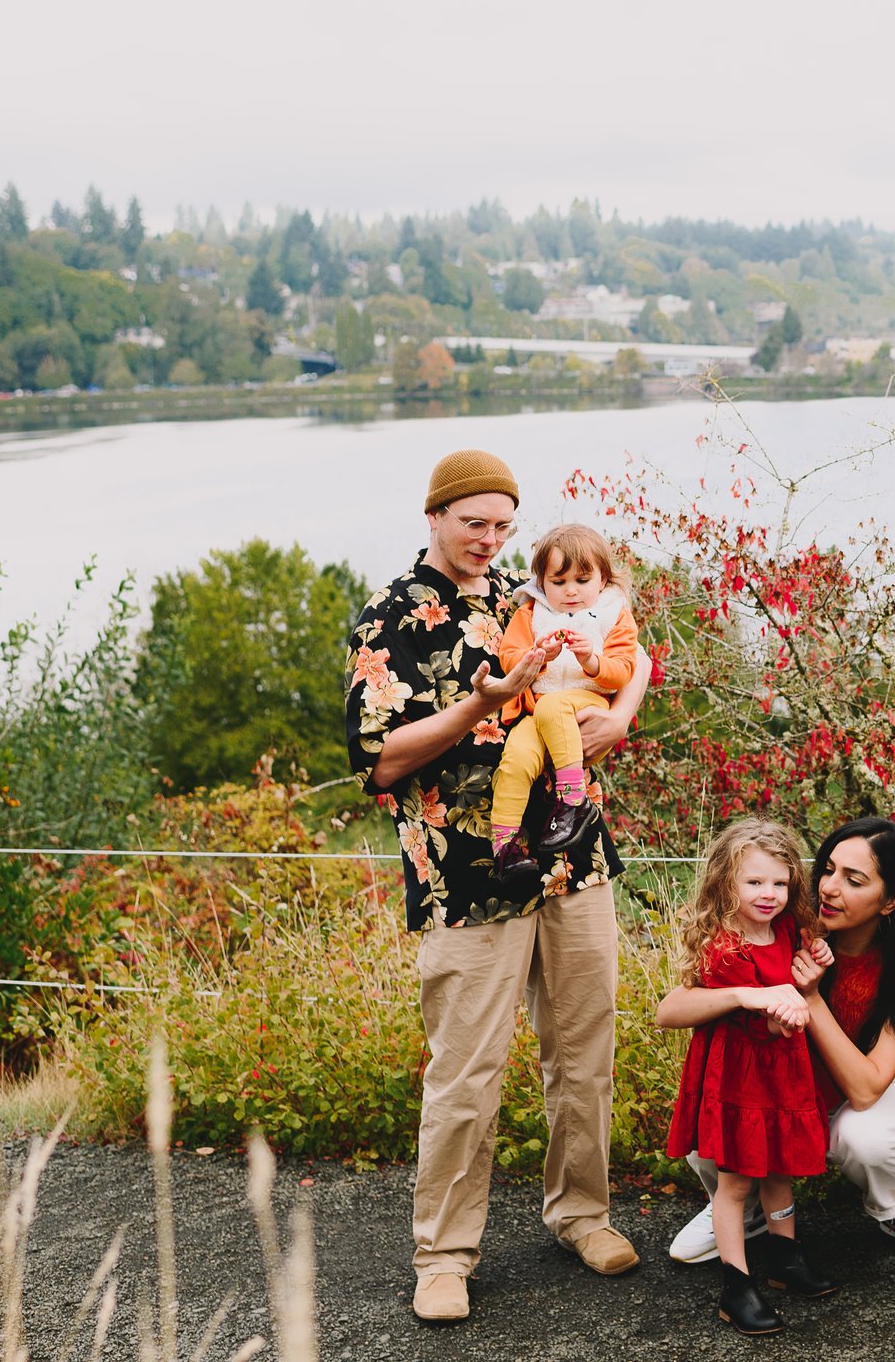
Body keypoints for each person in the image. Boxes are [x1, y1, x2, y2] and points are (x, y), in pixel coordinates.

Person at [344, 448, 648, 1324]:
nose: (489, 539)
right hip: (466, 876)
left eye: (502, 524)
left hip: (573, 856)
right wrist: (485, 703)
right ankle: (443, 1254)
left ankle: (581, 1213)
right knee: (468, 1074)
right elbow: (378, 759)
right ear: (434, 515)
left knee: (585, 1054)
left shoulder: (532, 590)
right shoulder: (392, 616)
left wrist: (616, 720)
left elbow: (632, 653)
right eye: (473, 522)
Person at [667, 816, 895, 1268]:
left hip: (875, 1092)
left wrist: (811, 996)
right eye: (828, 869)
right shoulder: (789, 925)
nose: (829, 887)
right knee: (714, 1126)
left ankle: (892, 1207)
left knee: (868, 1139)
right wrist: (747, 994)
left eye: (853, 880)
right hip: (787, 1081)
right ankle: (741, 1206)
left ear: (891, 900)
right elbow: (673, 1007)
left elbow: (866, 1090)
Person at [659, 818, 836, 1336]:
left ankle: (784, 1256)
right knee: (736, 1184)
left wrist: (815, 966)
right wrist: (786, 1015)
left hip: (781, 1071)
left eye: (780, 883)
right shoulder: (725, 946)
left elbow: (795, 982)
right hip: (741, 1074)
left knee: (778, 1169)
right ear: (725, 883)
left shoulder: (786, 930)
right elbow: (762, 1020)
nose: (770, 894)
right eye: (754, 882)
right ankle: (735, 1285)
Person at [488, 523, 639, 886]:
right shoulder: (531, 613)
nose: (570, 591)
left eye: (582, 581)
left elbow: (624, 669)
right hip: (537, 706)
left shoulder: (613, 613)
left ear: (602, 579)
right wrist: (538, 656)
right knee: (515, 759)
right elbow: (509, 657)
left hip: (587, 700)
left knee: (554, 708)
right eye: (558, 583)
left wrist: (592, 661)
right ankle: (504, 848)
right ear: (542, 582)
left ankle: (572, 800)